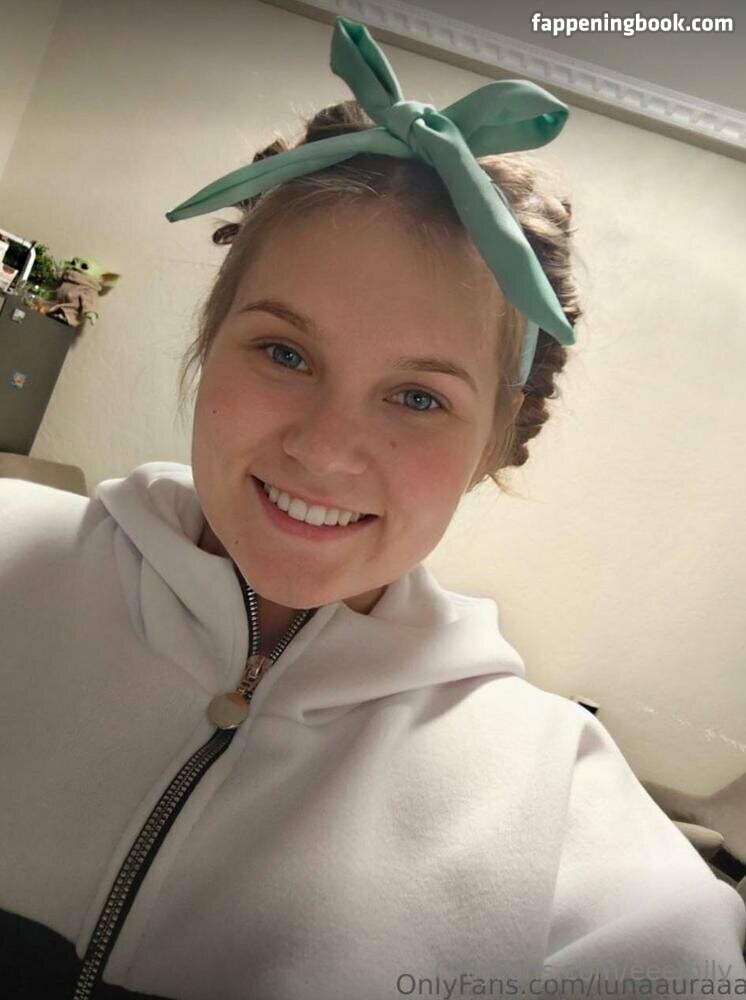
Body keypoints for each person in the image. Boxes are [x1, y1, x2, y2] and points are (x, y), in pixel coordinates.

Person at [1, 16, 744, 1000]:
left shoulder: (556, 807)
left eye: (417, 398)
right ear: (212, 340)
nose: (324, 449)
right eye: (284, 352)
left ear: (493, 444)